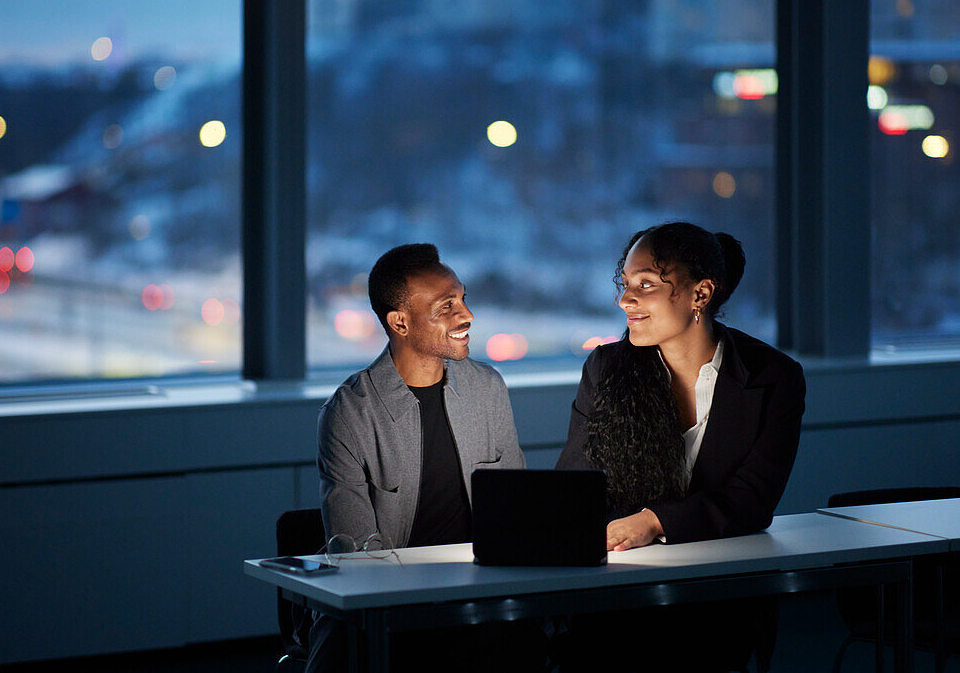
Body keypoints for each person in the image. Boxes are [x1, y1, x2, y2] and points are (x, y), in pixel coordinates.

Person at [555, 221, 806, 670]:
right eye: (625, 284)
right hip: (618, 603)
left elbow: (752, 501)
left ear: (701, 294)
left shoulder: (775, 376)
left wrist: (654, 520)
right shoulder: (605, 367)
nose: (625, 300)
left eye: (646, 285)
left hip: (721, 602)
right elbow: (574, 489)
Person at [306, 243, 530, 672]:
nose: (466, 315)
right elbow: (357, 555)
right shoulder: (349, 412)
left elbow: (516, 515)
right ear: (400, 321)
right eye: (447, 307)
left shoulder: (488, 388)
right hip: (391, 606)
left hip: (480, 597)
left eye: (463, 299)